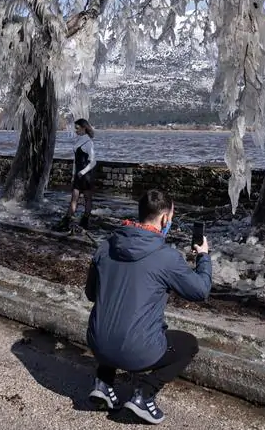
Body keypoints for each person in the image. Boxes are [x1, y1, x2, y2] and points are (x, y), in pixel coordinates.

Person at [85, 190, 211, 425]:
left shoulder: (105, 246)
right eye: (171, 217)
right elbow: (200, 290)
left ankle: (103, 383)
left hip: (97, 343)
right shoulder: (166, 257)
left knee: (116, 315)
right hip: (137, 352)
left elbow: (91, 294)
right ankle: (144, 395)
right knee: (188, 344)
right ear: (165, 219)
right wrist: (203, 256)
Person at [55, 118, 96, 231]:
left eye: (77, 128)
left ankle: (85, 220)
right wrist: (74, 173)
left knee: (87, 198)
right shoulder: (79, 140)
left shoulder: (89, 142)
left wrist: (82, 172)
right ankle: (68, 219)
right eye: (75, 128)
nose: (75, 130)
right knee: (74, 198)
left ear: (84, 128)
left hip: (86, 174)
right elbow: (75, 160)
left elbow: (93, 162)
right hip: (78, 174)